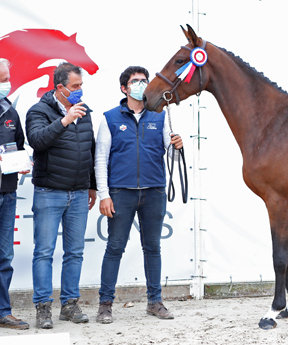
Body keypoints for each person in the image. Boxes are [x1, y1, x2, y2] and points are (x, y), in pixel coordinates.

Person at [95, 66, 182, 324]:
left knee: (152, 248)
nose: (141, 85)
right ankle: (105, 304)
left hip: (154, 191)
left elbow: (172, 155)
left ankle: (155, 302)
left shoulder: (160, 115)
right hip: (121, 193)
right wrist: (103, 194)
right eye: (135, 81)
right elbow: (100, 160)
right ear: (124, 88)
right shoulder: (109, 118)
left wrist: (178, 146)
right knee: (114, 248)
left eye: (144, 80)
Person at [25, 62, 97, 329]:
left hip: (78, 193)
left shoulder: (85, 112)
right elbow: (37, 140)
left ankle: (69, 304)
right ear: (60, 88)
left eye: (81, 86)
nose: (80, 91)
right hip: (49, 192)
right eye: (75, 87)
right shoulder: (38, 110)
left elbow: (90, 150)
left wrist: (92, 186)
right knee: (44, 252)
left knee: (75, 252)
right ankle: (43, 307)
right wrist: (65, 120)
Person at [0, 58, 30, 330]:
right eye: (3, 79)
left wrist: (22, 163)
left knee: (3, 257)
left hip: (6, 193)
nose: (8, 84)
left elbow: (17, 146)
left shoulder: (10, 112)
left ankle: (1, 312)